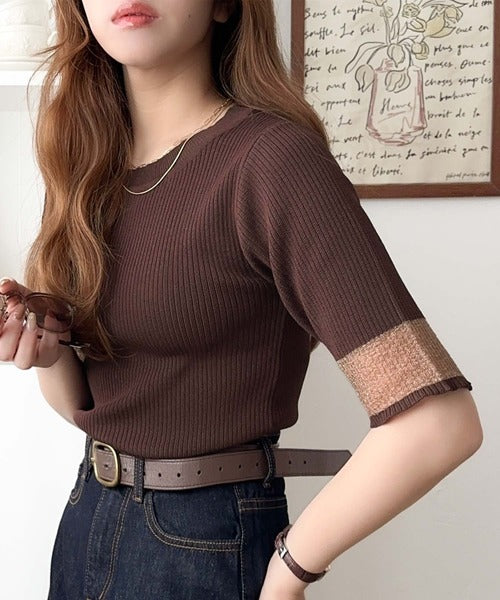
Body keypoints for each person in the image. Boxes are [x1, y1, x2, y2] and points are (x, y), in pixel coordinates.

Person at [0, 1, 483, 599]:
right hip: (87, 519)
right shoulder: (85, 169)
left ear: (225, 4)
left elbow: (440, 423)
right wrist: (49, 353)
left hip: (205, 543)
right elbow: (91, 408)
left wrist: (289, 573)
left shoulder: (273, 161)